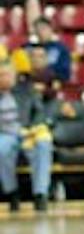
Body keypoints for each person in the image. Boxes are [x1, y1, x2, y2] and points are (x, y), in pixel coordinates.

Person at [0, 59, 53, 212]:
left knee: (43, 146)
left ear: (14, 75)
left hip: (28, 131)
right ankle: (12, 192)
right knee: (1, 150)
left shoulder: (27, 90)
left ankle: (40, 194)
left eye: (7, 74)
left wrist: (33, 128)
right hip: (4, 133)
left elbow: (39, 112)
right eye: (1, 75)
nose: (4, 78)